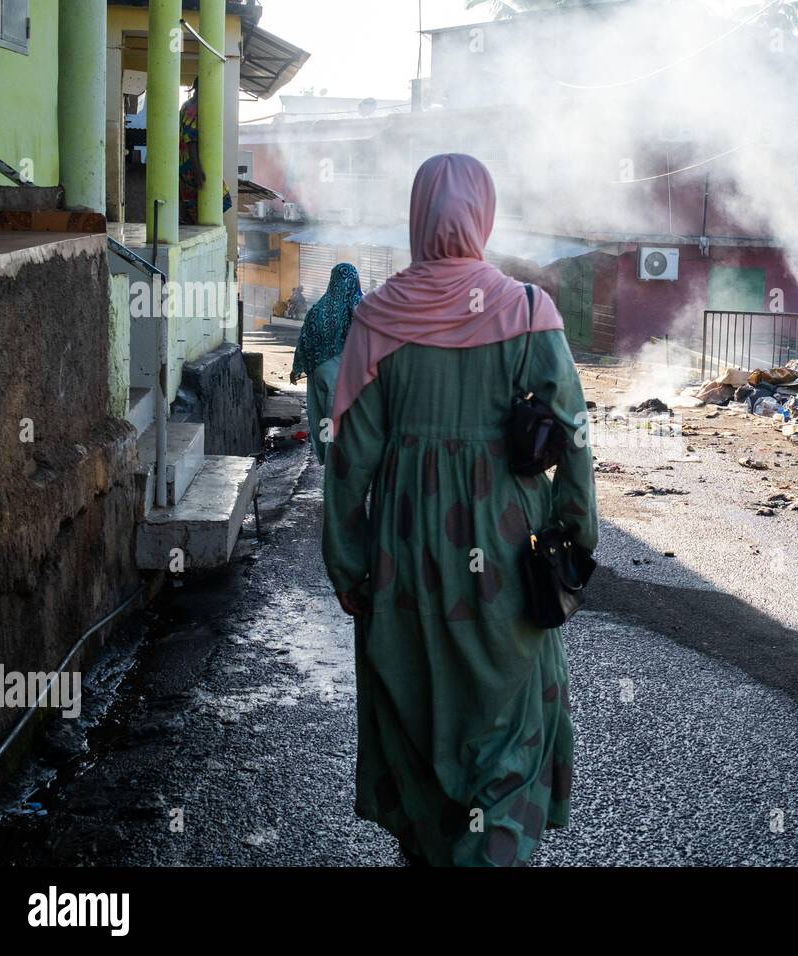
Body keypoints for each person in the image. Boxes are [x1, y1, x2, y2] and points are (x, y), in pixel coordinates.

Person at [322, 154, 597, 867]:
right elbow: (573, 438)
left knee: (418, 715)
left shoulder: (378, 319)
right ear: (484, 215)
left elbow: (349, 463)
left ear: (419, 216)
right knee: (505, 727)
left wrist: (349, 565)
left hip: (403, 559)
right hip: (507, 559)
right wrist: (574, 535)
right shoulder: (530, 313)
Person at [291, 263, 362, 464]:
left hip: (316, 372)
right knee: (336, 417)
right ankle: (336, 458)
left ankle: (326, 454)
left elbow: (303, 339)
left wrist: (298, 367)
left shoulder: (318, 308)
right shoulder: (355, 306)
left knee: (320, 415)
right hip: (339, 374)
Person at [178, 80, 232, 225]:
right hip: (190, 165)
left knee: (195, 205)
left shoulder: (187, 105)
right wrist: (197, 169)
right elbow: (191, 140)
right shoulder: (194, 108)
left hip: (184, 164)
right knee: (218, 200)